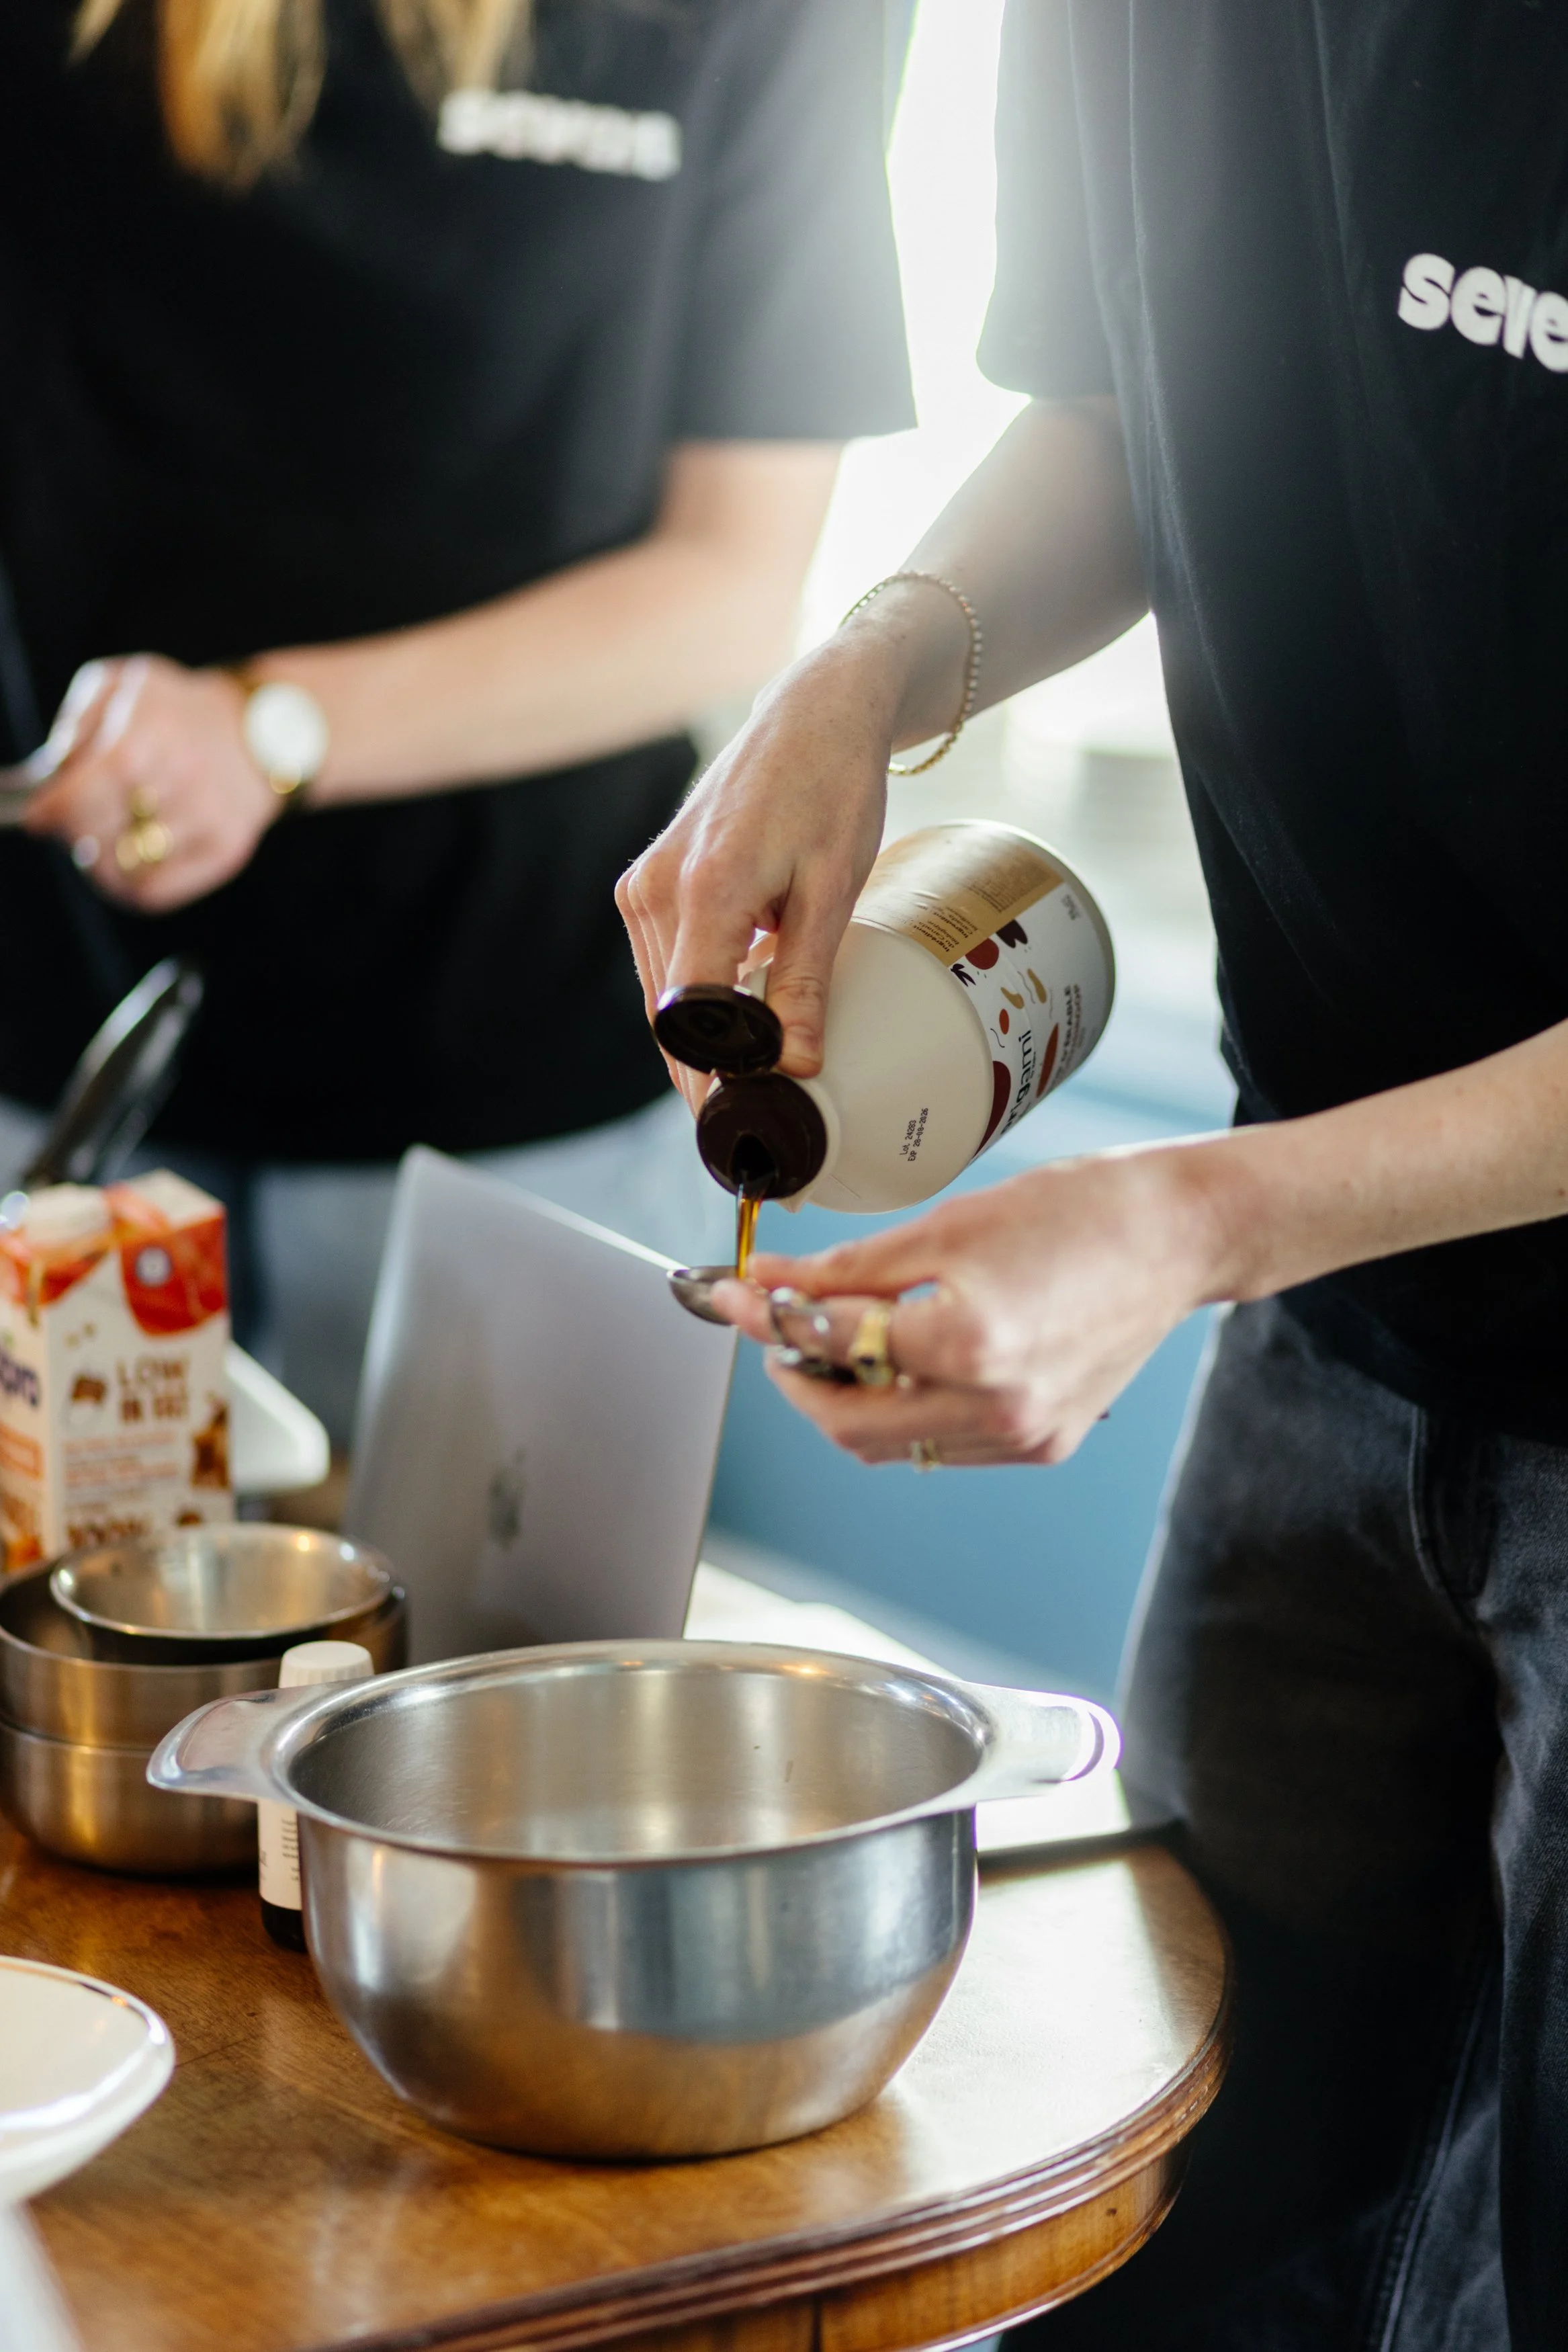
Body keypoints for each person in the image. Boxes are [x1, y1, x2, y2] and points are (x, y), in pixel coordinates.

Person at [618, 3, 1568, 2345]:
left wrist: (1193, 1219)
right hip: (1324, 1332)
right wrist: (863, 666)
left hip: (1292, 1238)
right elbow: (1135, 414)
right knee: (1181, 2230)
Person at [0, 0, 913, 1441]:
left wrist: (269, 732)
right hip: (58, 1044)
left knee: (483, 1650)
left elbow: (734, 582)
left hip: (519, 1078)